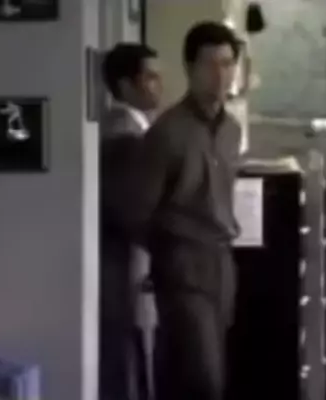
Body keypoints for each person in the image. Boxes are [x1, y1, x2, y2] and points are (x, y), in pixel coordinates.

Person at [103, 22, 242, 400]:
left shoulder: (231, 130)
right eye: (210, 65)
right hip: (182, 263)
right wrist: (167, 251)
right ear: (190, 69)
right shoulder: (167, 132)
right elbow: (135, 209)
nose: (220, 75)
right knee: (205, 378)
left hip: (221, 262)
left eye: (227, 64)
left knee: (197, 371)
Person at [99, 43, 162, 400]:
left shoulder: (135, 129)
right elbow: (131, 208)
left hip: (127, 258)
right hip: (123, 259)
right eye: (149, 77)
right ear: (125, 85)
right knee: (128, 347)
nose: (158, 85)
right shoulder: (124, 134)